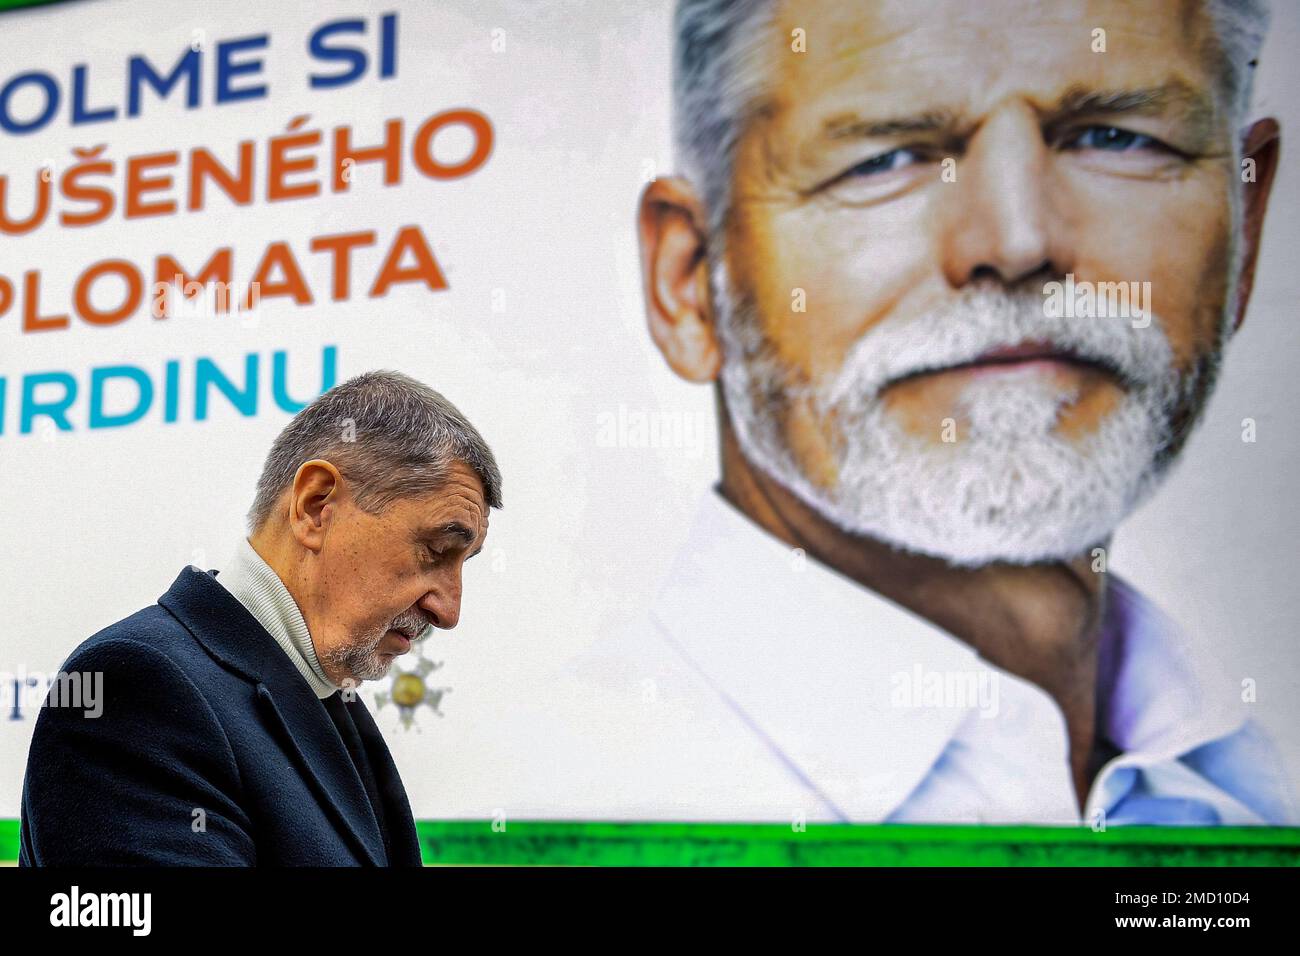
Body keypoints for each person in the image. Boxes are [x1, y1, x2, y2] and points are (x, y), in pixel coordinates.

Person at [510, 0, 1295, 826]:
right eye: (887, 158)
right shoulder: (546, 804)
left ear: (1247, 225)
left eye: (1114, 138)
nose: (1017, 239)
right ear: (689, 285)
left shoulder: (1249, 793)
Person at [18, 370, 501, 864]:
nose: (448, 611)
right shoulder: (137, 689)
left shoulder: (327, 698)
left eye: (464, 563)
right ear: (316, 506)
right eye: (436, 550)